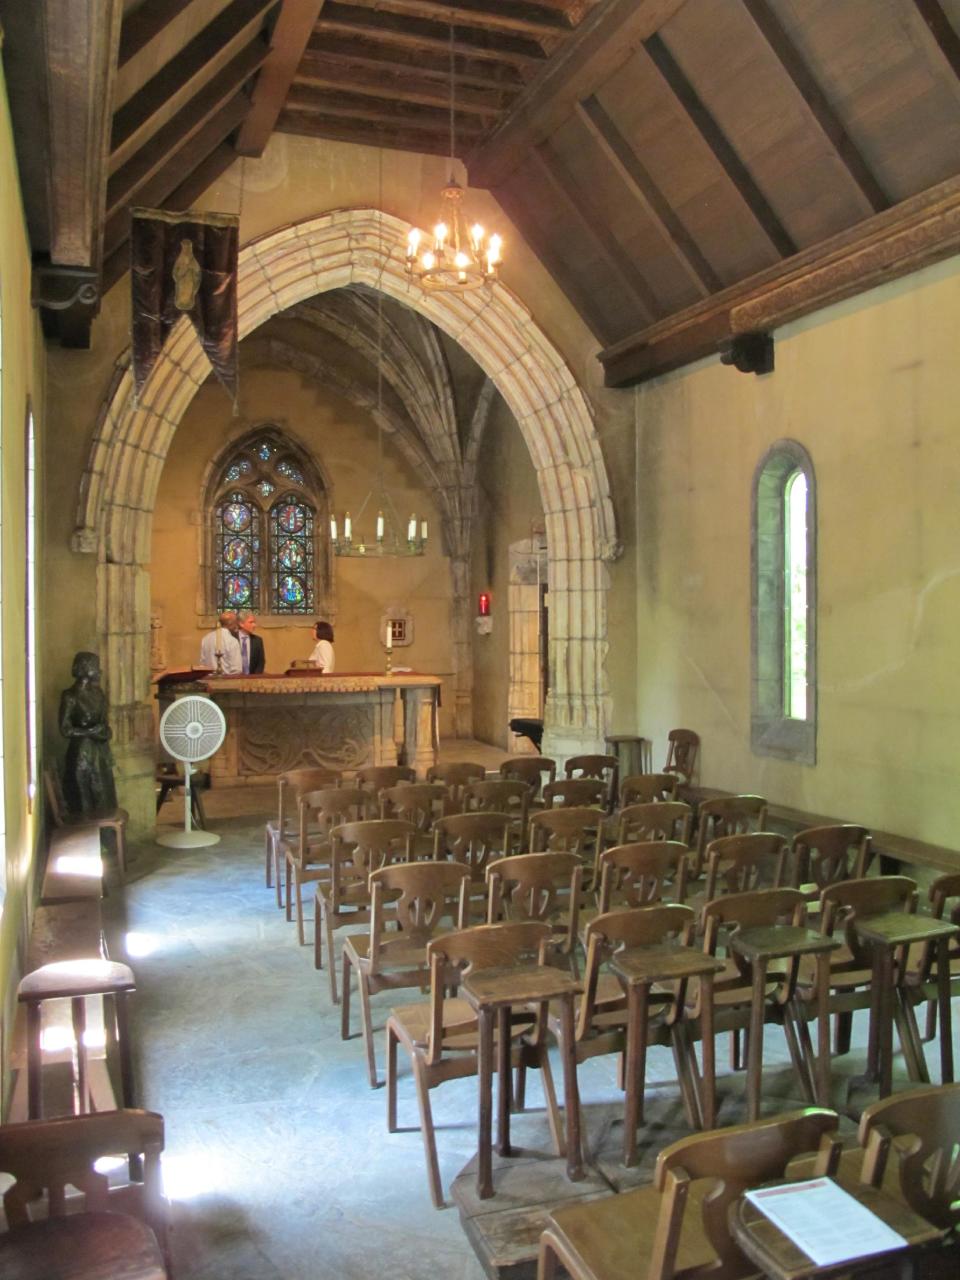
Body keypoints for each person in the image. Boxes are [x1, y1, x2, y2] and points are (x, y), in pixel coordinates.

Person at [59, 651, 117, 816]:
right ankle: (88, 835)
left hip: (99, 752)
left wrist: (104, 732)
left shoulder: (98, 694)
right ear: (85, 668)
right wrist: (90, 731)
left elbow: (104, 724)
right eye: (95, 666)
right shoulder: (70, 696)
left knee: (104, 796)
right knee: (85, 798)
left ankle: (106, 837)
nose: (99, 670)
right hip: (81, 753)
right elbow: (65, 729)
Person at [199, 610, 242, 674]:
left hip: (209, 680)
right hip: (227, 681)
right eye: (236, 623)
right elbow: (237, 670)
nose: (237, 627)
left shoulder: (206, 639)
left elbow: (202, 665)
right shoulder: (232, 641)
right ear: (231, 624)